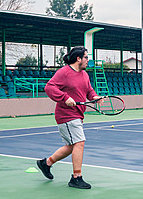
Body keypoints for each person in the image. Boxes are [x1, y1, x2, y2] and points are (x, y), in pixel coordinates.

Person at [36, 46, 101, 189]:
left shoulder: (84, 74)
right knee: (80, 143)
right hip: (66, 115)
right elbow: (49, 87)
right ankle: (76, 178)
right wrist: (65, 97)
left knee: (72, 146)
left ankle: (46, 163)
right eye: (86, 57)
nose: (88, 60)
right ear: (78, 58)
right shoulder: (64, 72)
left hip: (78, 114)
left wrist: (94, 97)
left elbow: (89, 90)